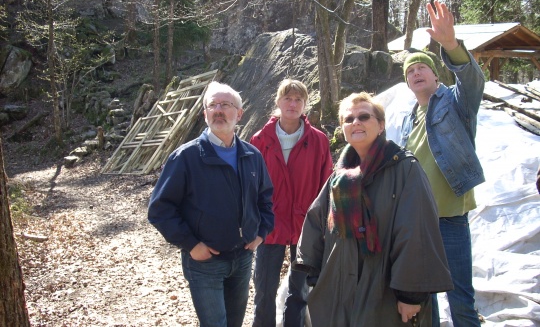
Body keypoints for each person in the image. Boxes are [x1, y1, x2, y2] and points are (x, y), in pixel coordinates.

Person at [293, 92, 453, 326]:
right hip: (338, 290)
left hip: (385, 291)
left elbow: (416, 233)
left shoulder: (405, 169)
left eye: (364, 116)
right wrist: (314, 276)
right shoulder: (339, 177)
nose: (355, 122)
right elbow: (315, 224)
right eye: (348, 119)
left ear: (380, 125)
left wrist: (410, 294)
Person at [147, 81, 274, 327]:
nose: (218, 110)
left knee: (234, 323)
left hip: (243, 257)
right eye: (212, 105)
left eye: (225, 104)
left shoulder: (252, 156)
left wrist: (261, 232)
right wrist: (191, 244)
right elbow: (160, 209)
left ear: (239, 113)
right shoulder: (185, 157)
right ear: (205, 114)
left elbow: (265, 199)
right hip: (205, 262)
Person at [399, 0, 486, 327]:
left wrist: (450, 43)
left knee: (460, 300)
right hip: (419, 223)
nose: (416, 72)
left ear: (436, 75)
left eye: (421, 67)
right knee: (425, 301)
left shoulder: (454, 103)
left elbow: (473, 82)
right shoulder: (409, 119)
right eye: (410, 71)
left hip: (450, 221)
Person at [250, 79, 333, 327]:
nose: (293, 104)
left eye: (299, 99)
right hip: (269, 225)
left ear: (305, 105)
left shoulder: (318, 140)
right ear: (278, 102)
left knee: (300, 290)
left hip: (306, 225)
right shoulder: (260, 139)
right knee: (264, 288)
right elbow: (252, 186)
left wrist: (324, 225)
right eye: (288, 98)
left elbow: (325, 185)